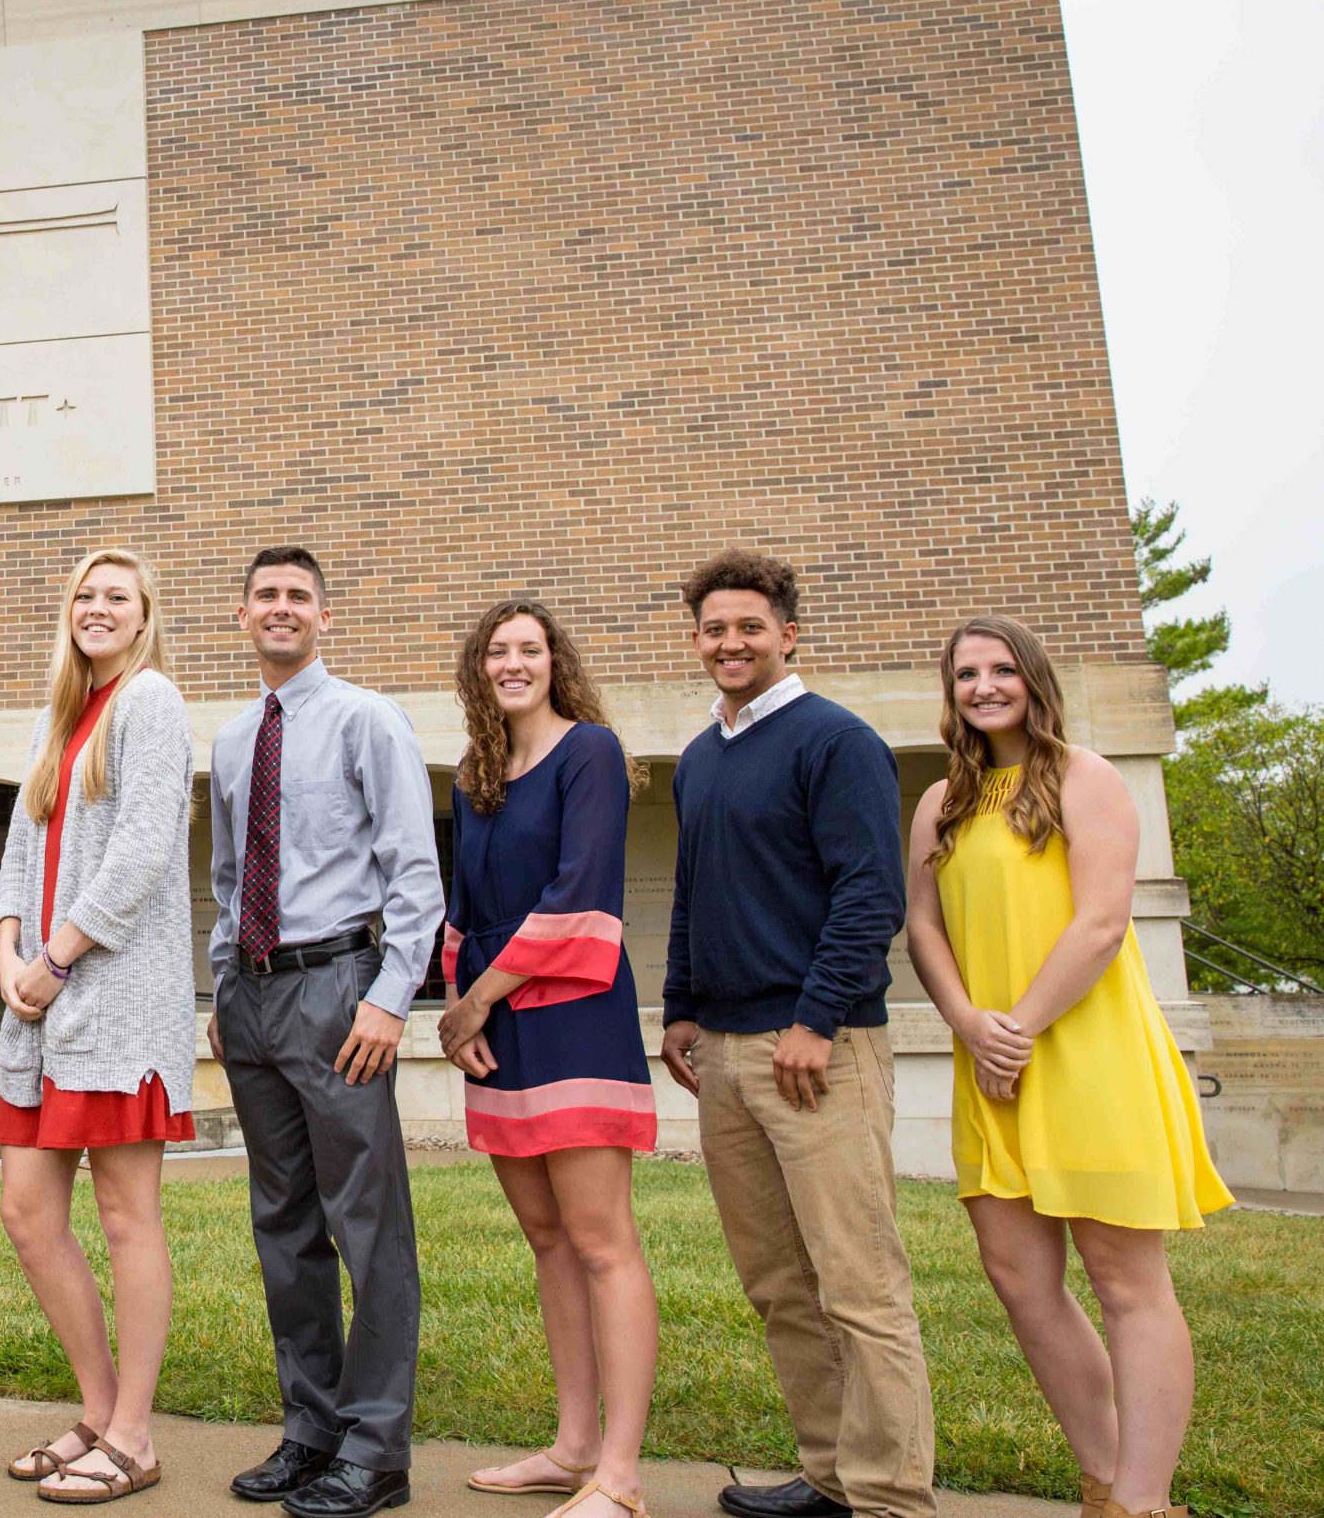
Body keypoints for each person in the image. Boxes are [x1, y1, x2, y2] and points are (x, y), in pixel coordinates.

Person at [903, 616, 1228, 1518]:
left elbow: (1100, 922)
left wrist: (1021, 1029)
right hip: (990, 1056)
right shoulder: (941, 804)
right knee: (1017, 1276)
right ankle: (1103, 1478)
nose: (984, 685)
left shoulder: (1086, 777)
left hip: (1086, 1053)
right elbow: (924, 927)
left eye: (1001, 667)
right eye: (966, 672)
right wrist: (971, 1024)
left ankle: (1145, 1500)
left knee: (1127, 1280)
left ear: (1032, 677)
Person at [657, 550, 933, 1518]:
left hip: (820, 1052)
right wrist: (679, 1005)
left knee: (860, 1286)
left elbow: (870, 896)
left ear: (788, 633)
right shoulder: (700, 757)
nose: (729, 642)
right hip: (727, 1059)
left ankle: (891, 1498)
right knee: (779, 1285)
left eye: (748, 627)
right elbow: (692, 892)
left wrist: (816, 1018)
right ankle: (828, 1476)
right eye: (712, 629)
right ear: (695, 639)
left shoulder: (835, 741)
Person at [208, 546, 443, 1518]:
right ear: (242, 613)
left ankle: (376, 1448)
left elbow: (413, 873)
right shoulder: (228, 740)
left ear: (324, 616)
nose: (281, 609)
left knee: (366, 1222)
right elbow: (227, 880)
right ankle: (309, 1430)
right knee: (284, 1225)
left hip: (340, 987)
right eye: (265, 595)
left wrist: (389, 999)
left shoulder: (365, 719)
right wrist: (223, 991)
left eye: (298, 597)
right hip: (254, 1001)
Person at [437, 600, 660, 1518]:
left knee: (603, 1239)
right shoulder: (476, 775)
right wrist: (464, 1009)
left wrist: (480, 994)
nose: (513, 663)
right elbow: (463, 905)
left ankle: (623, 1474)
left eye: (529, 649)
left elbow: (583, 892)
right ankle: (572, 1447)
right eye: (498, 651)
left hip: (572, 1014)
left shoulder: (590, 753)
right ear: (479, 668)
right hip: (498, 1027)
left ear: (555, 660)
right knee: (547, 1238)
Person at [0, 548, 197, 1505]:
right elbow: (18, 848)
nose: (98, 607)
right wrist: (4, 948)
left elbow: (145, 849)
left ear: (145, 614)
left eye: (117, 596)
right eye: (84, 593)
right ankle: (99, 1411)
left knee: (125, 1216)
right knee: (29, 1212)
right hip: (37, 1007)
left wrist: (58, 956)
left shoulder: (150, 702)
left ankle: (136, 1436)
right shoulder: (61, 715)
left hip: (115, 1005)